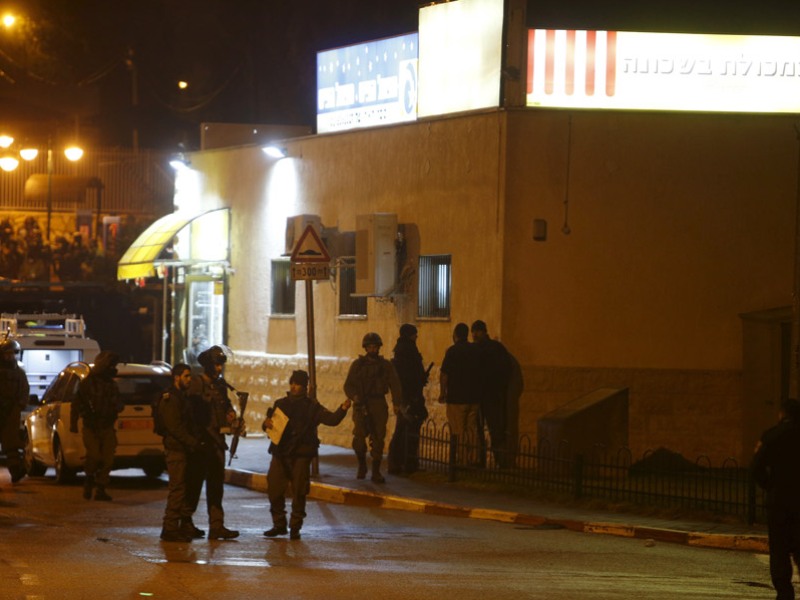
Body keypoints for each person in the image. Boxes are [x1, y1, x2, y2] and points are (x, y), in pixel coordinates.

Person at [262, 370, 351, 540]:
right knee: (274, 487)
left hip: (301, 454)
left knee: (299, 491)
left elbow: (332, 420)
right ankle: (279, 524)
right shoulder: (281, 404)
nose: (294, 387)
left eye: (298, 384)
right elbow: (270, 426)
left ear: (305, 387)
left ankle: (295, 526)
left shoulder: (312, 407)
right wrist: (265, 424)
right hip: (280, 453)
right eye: (292, 383)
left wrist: (342, 409)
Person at [184, 345, 240, 540]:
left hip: (217, 443)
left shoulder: (220, 386)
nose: (219, 369)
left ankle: (217, 526)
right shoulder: (197, 384)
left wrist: (230, 415)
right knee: (194, 485)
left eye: (221, 366)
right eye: (216, 365)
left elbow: (226, 407)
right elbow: (189, 412)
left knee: (216, 487)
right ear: (208, 365)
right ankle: (185, 522)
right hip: (201, 443)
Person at [752, 397, 800, 600]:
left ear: (782, 414)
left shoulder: (772, 436)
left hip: (779, 500)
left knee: (779, 550)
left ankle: (784, 593)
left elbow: (756, 466)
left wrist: (769, 485)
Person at [343, 332, 402, 483]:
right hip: (361, 404)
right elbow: (348, 385)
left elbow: (395, 384)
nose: (372, 350)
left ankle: (375, 471)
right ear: (365, 348)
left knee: (378, 437)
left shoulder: (385, 365)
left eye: (375, 347)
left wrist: (396, 403)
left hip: (378, 404)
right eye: (369, 347)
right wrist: (355, 397)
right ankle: (362, 465)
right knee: (359, 437)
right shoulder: (358, 365)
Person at [158, 363, 204, 543]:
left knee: (185, 489)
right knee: (177, 489)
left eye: (190, 376)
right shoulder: (171, 398)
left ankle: (183, 525)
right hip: (176, 449)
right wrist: (192, 442)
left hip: (184, 449)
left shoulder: (183, 397)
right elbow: (174, 427)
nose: (189, 379)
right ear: (176, 377)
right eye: (186, 376)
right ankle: (169, 528)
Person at [70, 351, 122, 501]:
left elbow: (118, 403)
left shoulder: (112, 385)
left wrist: (117, 407)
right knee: (94, 456)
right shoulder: (88, 383)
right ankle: (89, 480)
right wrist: (73, 423)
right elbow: (77, 403)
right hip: (91, 426)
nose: (113, 368)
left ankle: (101, 489)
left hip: (107, 426)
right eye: (111, 365)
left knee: (107, 459)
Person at [387, 324, 429, 475]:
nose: (416, 337)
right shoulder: (409, 352)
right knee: (407, 430)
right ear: (409, 335)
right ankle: (406, 462)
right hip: (410, 397)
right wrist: (420, 380)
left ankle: (399, 462)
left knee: (403, 429)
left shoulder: (401, 351)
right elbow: (410, 376)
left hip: (405, 396)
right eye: (414, 334)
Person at [471, 320, 512, 468]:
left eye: (477, 331)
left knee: (492, 429)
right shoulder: (496, 348)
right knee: (489, 429)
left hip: (488, 394)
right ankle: (495, 461)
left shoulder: (488, 349)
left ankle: (497, 461)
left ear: (483, 332)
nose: (474, 335)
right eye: (473, 332)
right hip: (489, 394)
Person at [438, 323, 480, 464]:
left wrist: (442, 393)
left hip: (457, 398)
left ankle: (462, 461)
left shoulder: (452, 351)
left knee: (458, 430)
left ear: (455, 335)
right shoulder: (475, 351)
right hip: (474, 397)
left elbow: (444, 374)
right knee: (472, 429)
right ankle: (474, 458)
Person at [0, 338, 29, 483]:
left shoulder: (19, 373)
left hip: (12, 411)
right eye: (8, 353)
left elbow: (24, 391)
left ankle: (16, 471)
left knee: (11, 444)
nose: (10, 357)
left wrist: (19, 405)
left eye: (13, 354)